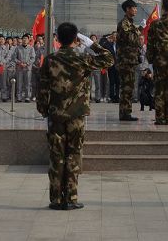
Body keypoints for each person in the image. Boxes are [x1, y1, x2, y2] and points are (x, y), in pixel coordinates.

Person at [36, 22, 113, 210]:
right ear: (76, 39)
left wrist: (43, 109)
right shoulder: (83, 58)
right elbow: (109, 59)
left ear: (58, 38)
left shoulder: (50, 60)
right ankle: (71, 197)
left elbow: (42, 88)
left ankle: (56, 199)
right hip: (76, 115)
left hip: (56, 115)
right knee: (74, 154)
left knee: (56, 156)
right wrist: (92, 44)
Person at [115, 0, 142, 121]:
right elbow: (131, 39)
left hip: (130, 60)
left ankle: (126, 112)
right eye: (133, 8)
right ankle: (125, 113)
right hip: (126, 60)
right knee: (126, 88)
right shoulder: (124, 23)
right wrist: (138, 34)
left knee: (129, 87)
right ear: (127, 9)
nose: (135, 10)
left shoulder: (130, 24)